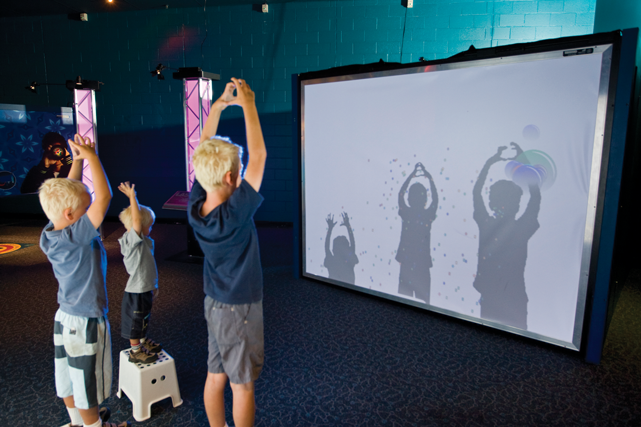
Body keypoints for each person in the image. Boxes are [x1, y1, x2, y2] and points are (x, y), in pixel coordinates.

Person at [187, 78, 267, 427]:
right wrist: (247, 103)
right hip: (239, 309)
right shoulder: (235, 213)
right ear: (233, 176)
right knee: (243, 385)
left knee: (215, 376)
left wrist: (217, 107)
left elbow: (203, 148)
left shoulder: (196, 205)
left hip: (215, 303)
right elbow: (260, 155)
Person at [39, 134, 128, 427]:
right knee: (87, 386)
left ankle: (77, 422)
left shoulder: (51, 232)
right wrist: (91, 156)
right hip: (86, 321)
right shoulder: (76, 237)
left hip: (64, 318)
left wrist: (75, 161)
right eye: (84, 208)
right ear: (71, 214)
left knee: (68, 377)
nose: (90, 212)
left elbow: (73, 191)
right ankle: (94, 425)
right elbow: (104, 198)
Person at [472, 142, 541, 330]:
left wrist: (492, 161)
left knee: (487, 337)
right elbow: (536, 196)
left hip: (494, 293)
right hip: (514, 294)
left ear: (492, 202)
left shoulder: (486, 224)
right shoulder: (522, 227)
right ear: (518, 204)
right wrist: (523, 161)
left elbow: (476, 191)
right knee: (516, 337)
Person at [117, 181, 162, 364]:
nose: (150, 228)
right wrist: (132, 197)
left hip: (144, 288)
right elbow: (136, 221)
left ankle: (143, 342)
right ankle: (136, 351)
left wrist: (153, 285)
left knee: (144, 317)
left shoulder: (144, 241)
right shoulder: (131, 240)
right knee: (135, 322)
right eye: (149, 225)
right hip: (135, 291)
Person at [395, 162, 438, 303]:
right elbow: (436, 198)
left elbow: (400, 194)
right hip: (422, 265)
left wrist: (411, 176)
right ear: (425, 199)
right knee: (422, 304)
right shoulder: (427, 215)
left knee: (404, 303)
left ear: (409, 199)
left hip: (408, 263)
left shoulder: (407, 213)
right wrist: (429, 177)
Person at [324, 212, 359, 285]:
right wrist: (348, 225)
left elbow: (327, 247)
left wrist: (330, 229)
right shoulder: (347, 259)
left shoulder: (348, 259)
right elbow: (352, 243)